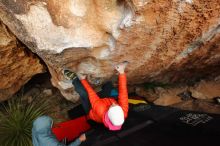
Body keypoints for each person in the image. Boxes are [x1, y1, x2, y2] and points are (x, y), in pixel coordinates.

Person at [63, 61, 129, 131]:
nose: (114, 104)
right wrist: (122, 73)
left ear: (108, 112)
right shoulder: (123, 112)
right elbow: (123, 93)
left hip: (92, 109)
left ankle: (74, 79)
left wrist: (83, 80)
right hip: (105, 101)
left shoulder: (100, 110)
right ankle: (101, 83)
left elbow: (92, 95)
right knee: (110, 87)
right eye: (117, 105)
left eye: (113, 106)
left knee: (83, 93)